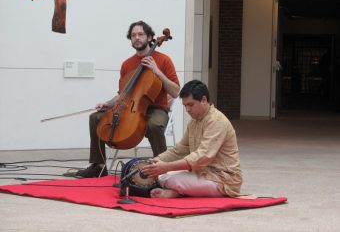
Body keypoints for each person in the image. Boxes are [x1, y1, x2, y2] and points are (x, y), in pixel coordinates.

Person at [76, 21, 180, 178]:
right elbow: (123, 94)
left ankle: (161, 166)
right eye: (133, 35)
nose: (136, 38)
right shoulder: (127, 64)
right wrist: (108, 103)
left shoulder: (164, 60)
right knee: (96, 117)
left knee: (154, 125)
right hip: (130, 107)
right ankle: (99, 166)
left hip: (156, 109)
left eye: (140, 34)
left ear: (150, 37)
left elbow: (176, 91)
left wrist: (156, 71)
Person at [142, 79, 243, 198]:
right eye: (185, 105)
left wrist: (166, 167)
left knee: (167, 178)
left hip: (222, 180)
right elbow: (179, 150)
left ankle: (177, 190)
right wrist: (153, 162)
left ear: (204, 100)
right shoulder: (194, 122)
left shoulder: (217, 121)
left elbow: (203, 156)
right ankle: (176, 192)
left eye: (191, 104)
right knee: (161, 174)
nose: (187, 110)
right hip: (202, 174)